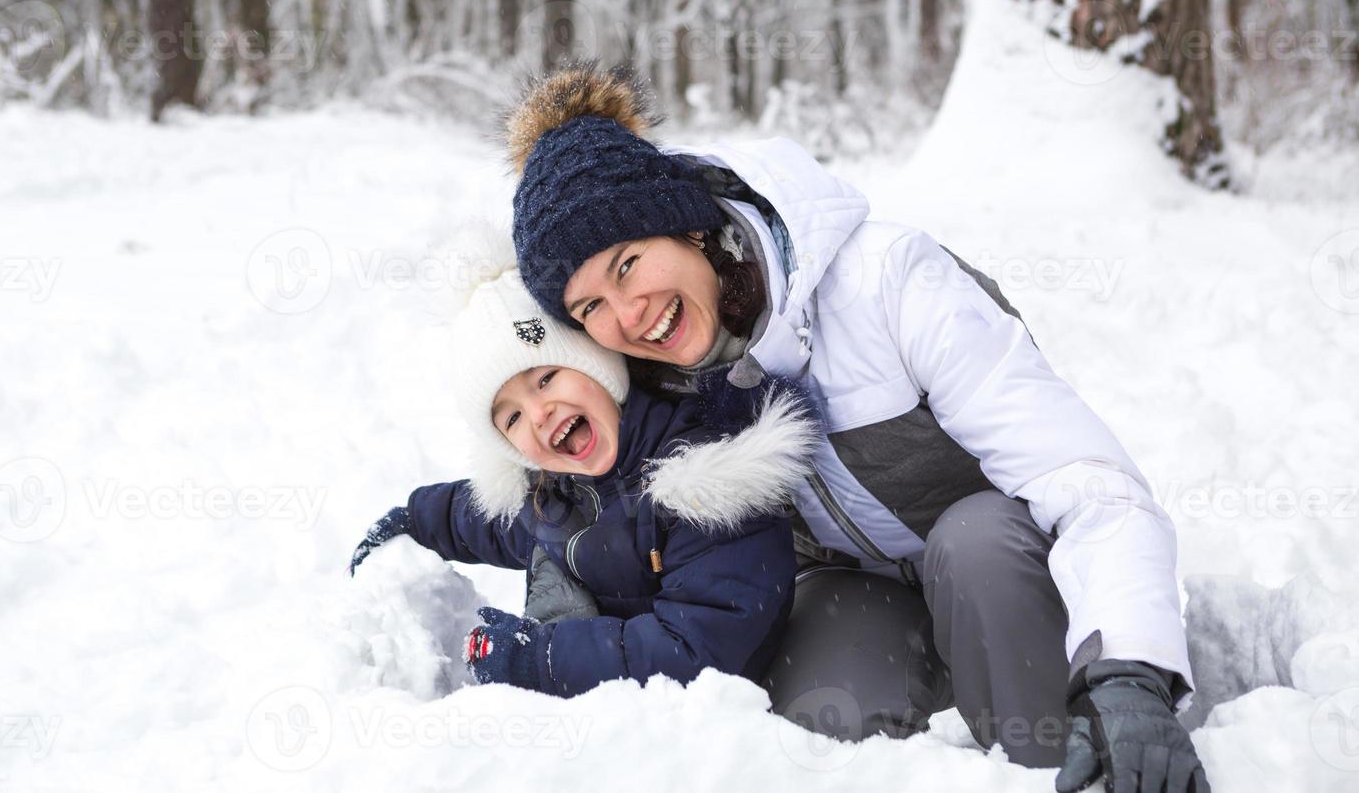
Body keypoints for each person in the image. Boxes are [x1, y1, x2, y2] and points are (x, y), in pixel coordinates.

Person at [502, 61, 1209, 792]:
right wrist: (554, 596)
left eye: (628, 265)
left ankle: (1067, 766)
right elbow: (576, 486)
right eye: (588, 307)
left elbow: (1085, 479)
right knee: (823, 718)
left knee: (977, 546)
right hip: (859, 591)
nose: (628, 316)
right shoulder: (648, 376)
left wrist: (1131, 667)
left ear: (685, 225)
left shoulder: (890, 281)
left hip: (1007, 576)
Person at [349, 252, 818, 696]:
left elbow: (695, 653)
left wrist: (543, 661)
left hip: (725, 718)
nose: (537, 414)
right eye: (511, 418)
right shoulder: (559, 491)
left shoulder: (701, 480)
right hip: (621, 700)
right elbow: (482, 519)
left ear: (597, 365)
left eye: (546, 378)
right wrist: (413, 522)